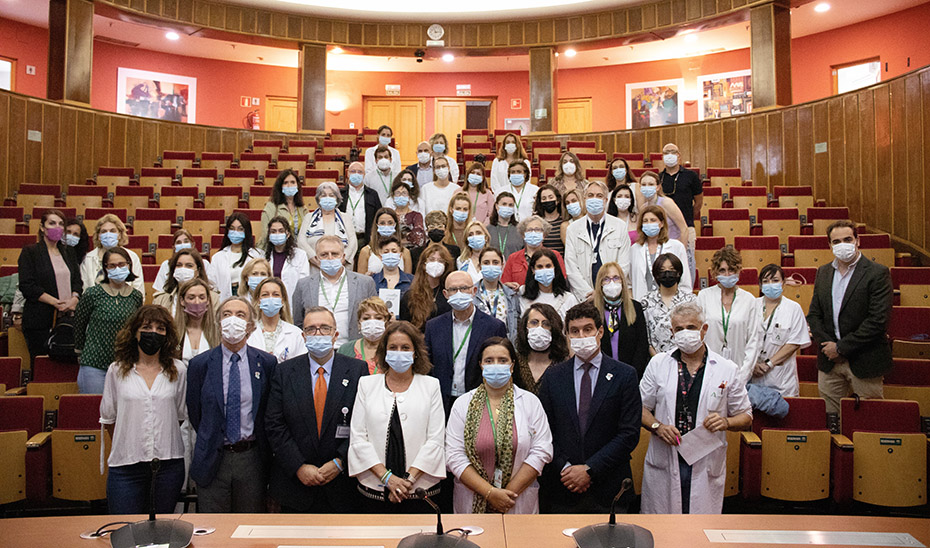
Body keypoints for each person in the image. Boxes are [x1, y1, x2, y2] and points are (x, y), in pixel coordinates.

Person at [639, 301, 752, 514]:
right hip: (666, 453)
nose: (685, 333)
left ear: (704, 329)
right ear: (671, 333)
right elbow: (639, 408)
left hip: (704, 456)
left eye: (691, 327)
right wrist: (657, 426)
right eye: (679, 329)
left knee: (699, 527)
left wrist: (726, 422)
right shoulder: (658, 364)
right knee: (663, 527)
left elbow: (746, 416)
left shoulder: (726, 368)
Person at [537, 302, 642, 513]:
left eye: (587, 329)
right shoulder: (553, 377)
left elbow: (629, 434)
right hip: (562, 486)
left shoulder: (625, 375)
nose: (581, 335)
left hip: (609, 487)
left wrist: (590, 469)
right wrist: (566, 469)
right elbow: (544, 432)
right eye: (574, 331)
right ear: (566, 334)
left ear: (600, 331)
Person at [265, 306, 369, 513]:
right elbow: (274, 424)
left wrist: (340, 461)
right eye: (311, 329)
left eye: (324, 328)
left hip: (342, 484)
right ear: (303, 336)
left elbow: (365, 423)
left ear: (335, 334)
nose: (318, 334)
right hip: (296, 485)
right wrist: (298, 467)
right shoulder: (284, 371)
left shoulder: (358, 370)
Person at [186, 296, 278, 513]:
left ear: (251, 326)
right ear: (218, 323)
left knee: (250, 529)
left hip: (251, 459)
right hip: (213, 457)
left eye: (240, 315)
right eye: (226, 315)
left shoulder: (266, 363)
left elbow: (267, 411)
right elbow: (196, 413)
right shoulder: (199, 365)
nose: (232, 320)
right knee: (214, 531)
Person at [446, 337, 553, 514]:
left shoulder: (530, 402)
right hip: (472, 501)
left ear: (512, 365)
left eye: (502, 360)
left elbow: (542, 451)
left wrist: (506, 495)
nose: (496, 365)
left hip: (517, 501)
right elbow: (454, 456)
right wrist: (490, 493)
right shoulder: (462, 404)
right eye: (489, 360)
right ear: (480, 365)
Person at [348, 321, 446, 510]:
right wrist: (388, 479)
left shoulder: (431, 385)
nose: (399, 352)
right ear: (384, 351)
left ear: (415, 352)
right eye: (393, 347)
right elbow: (358, 438)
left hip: (419, 490)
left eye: (405, 347)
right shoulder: (366, 385)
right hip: (373, 491)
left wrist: (406, 481)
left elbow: (435, 441)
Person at [100, 305, 186, 514]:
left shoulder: (179, 370)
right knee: (126, 530)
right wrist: (131, 442)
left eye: (160, 328)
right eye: (147, 327)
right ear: (135, 332)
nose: (153, 333)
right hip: (126, 466)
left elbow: (179, 416)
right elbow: (109, 418)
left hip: (168, 465)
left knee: (163, 532)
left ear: (167, 335)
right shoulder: (117, 370)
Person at [807, 220, 893, 416]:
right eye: (836, 241)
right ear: (829, 245)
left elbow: (878, 321)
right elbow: (814, 314)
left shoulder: (877, 273)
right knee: (831, 420)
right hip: (829, 362)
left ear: (857, 240)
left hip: (865, 359)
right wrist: (829, 346)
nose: (842, 244)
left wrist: (841, 348)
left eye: (847, 239)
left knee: (869, 420)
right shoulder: (823, 272)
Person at [425, 271, 509, 413]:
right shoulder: (433, 326)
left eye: (464, 288)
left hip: (480, 401)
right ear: (445, 294)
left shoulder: (494, 327)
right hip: (441, 401)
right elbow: (427, 365)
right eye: (453, 289)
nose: (459, 293)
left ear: (474, 291)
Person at [73, 246, 143, 393]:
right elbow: (79, 323)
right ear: (105, 268)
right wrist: (79, 351)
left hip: (124, 363)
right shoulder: (93, 294)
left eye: (121, 264)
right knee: (93, 409)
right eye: (112, 265)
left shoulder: (136, 296)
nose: (117, 268)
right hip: (94, 362)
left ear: (129, 265)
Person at [18, 209, 82, 362]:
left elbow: (77, 282)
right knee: (42, 364)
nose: (57, 227)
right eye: (52, 223)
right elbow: (27, 285)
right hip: (40, 319)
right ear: (42, 227)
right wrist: (55, 302)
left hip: (68, 317)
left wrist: (74, 299)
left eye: (61, 224)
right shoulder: (30, 252)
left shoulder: (68, 252)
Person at [291, 236, 377, 346]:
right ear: (317, 258)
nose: (330, 258)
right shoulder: (303, 285)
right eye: (324, 255)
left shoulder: (365, 283)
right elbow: (298, 323)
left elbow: (374, 316)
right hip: (317, 349)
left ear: (343, 257)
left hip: (354, 348)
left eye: (335, 254)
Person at [696, 246, 761, 386]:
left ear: (738, 270)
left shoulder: (749, 299)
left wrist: (743, 376)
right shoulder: (704, 296)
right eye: (722, 270)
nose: (727, 275)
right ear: (715, 272)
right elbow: (698, 334)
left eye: (731, 270)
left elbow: (753, 340)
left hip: (740, 370)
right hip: (709, 368)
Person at [749, 264, 811, 398]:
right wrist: (752, 365)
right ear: (760, 285)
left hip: (782, 381)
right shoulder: (751, 306)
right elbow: (742, 338)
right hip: (753, 374)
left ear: (783, 283)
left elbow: (795, 342)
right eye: (765, 281)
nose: (770, 284)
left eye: (775, 280)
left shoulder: (793, 308)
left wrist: (769, 364)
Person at [564, 180, 632, 301]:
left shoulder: (619, 226)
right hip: (584, 297)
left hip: (613, 292)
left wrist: (606, 290)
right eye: (590, 195)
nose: (594, 199)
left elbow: (624, 264)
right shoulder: (573, 229)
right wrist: (588, 293)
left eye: (599, 196)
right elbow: (571, 267)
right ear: (584, 200)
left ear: (606, 200)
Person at [592, 262, 650, 378]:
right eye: (606, 279)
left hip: (631, 374)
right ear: (600, 283)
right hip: (600, 375)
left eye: (616, 278)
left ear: (622, 281)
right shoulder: (592, 311)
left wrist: (633, 374)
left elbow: (642, 345)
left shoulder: (635, 307)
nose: (611, 282)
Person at [630, 205, 691, 301]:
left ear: (661, 223)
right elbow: (630, 281)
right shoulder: (635, 249)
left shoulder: (676, 247)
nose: (649, 223)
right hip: (642, 302)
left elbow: (685, 280)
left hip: (672, 303)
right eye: (645, 221)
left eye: (653, 220)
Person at [642, 253, 698, 356]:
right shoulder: (646, 301)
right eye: (662, 271)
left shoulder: (690, 300)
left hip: (686, 356)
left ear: (679, 273)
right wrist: (658, 359)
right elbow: (646, 337)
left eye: (671, 270)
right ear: (656, 274)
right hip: (656, 359)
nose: (667, 274)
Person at [297, 181, 358, 268]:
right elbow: (301, 241)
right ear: (318, 198)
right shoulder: (309, 217)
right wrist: (316, 260)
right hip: (314, 266)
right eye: (323, 195)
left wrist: (342, 261)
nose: (327, 198)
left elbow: (353, 242)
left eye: (331, 195)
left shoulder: (345, 217)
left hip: (341, 266)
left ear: (337, 199)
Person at [658, 143, 702, 260]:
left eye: (673, 152)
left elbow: (698, 201)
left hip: (686, 226)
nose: (669, 155)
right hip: (664, 229)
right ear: (662, 157)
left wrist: (687, 217)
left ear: (679, 155)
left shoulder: (691, 176)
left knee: (686, 260)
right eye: (666, 153)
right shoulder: (659, 178)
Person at [246, 277, 306, 364]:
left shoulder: (295, 334)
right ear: (258, 300)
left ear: (282, 300)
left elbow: (302, 364)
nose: (270, 298)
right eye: (265, 295)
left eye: (276, 295)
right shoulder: (249, 332)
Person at [80, 214, 144, 294]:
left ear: (120, 235)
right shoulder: (88, 259)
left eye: (112, 231)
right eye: (104, 231)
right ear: (99, 236)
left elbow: (138, 287)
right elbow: (84, 288)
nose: (108, 234)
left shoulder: (132, 257)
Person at [501, 216, 567, 291]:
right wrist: (509, 286)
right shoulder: (513, 258)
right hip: (520, 300)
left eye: (537, 230)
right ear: (523, 235)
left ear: (544, 234)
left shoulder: (555, 255)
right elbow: (505, 283)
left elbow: (562, 280)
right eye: (529, 230)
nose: (533, 233)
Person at [514, 304, 569, 394]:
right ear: (525, 327)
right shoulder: (515, 362)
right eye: (534, 322)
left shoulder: (563, 365)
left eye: (546, 324)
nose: (539, 328)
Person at [400, 242, 455, 329]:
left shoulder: (450, 294)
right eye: (432, 260)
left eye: (440, 261)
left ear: (446, 266)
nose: (436, 264)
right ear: (423, 264)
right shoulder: (410, 296)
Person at [211, 212, 262, 301]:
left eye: (240, 229)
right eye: (232, 229)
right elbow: (212, 284)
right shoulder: (218, 257)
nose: (236, 232)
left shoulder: (256, 255)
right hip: (224, 299)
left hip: (249, 300)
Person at [473, 247, 521, 340]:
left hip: (505, 346)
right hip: (480, 346)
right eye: (486, 263)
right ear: (479, 266)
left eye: (495, 262)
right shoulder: (472, 294)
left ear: (502, 265)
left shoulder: (511, 295)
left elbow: (516, 326)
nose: (491, 266)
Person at [519, 248, 579, 320]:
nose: (544, 270)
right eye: (540, 267)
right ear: (533, 270)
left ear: (555, 268)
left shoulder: (568, 299)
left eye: (548, 266)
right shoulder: (523, 294)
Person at [261, 216, 311, 301]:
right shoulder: (263, 257)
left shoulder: (300, 255)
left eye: (281, 231)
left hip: (292, 301)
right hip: (270, 301)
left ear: (287, 234)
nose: (277, 234)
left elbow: (304, 283)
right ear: (269, 235)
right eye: (273, 231)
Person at [635, 171, 689, 248]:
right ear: (640, 188)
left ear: (658, 187)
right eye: (644, 185)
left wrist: (682, 251)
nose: (647, 187)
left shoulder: (666, 202)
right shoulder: (643, 208)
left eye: (651, 184)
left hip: (673, 246)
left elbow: (684, 228)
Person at [153, 248, 214, 314]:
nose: (183, 269)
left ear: (198, 271)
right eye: (179, 265)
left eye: (189, 266)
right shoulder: (160, 300)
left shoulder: (212, 298)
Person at [174, 278, 218, 364]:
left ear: (208, 300)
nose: (197, 302)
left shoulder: (218, 331)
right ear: (182, 301)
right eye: (191, 298)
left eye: (202, 297)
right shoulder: (173, 331)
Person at [357, 209, 413, 275]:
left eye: (390, 223)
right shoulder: (366, 251)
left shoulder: (405, 252)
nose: (386, 226)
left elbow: (408, 281)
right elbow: (361, 281)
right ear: (377, 225)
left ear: (395, 225)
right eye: (382, 223)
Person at [342, 161, 383, 250]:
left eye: (360, 172)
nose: (356, 174)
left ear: (364, 175)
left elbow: (379, 216)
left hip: (366, 239)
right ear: (348, 174)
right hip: (344, 239)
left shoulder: (372, 194)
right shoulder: (340, 194)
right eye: (353, 171)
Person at [261, 169, 309, 242]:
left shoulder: (303, 209)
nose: (289, 185)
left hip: (299, 250)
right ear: (280, 186)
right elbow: (266, 234)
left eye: (293, 182)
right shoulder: (271, 207)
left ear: (297, 185)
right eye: (285, 183)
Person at [385, 171, 426, 248]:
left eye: (404, 193)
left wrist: (399, 234)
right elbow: (386, 236)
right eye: (397, 193)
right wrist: (408, 234)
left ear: (408, 196)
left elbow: (418, 237)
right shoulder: (389, 216)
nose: (401, 196)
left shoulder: (416, 215)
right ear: (393, 197)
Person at [486, 192, 523, 259]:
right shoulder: (487, 230)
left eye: (510, 205)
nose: (507, 207)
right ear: (496, 206)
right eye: (504, 204)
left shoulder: (520, 230)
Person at [534, 184, 565, 254]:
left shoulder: (564, 221)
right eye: (544, 198)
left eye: (550, 197)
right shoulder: (536, 221)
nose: (547, 200)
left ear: (557, 200)